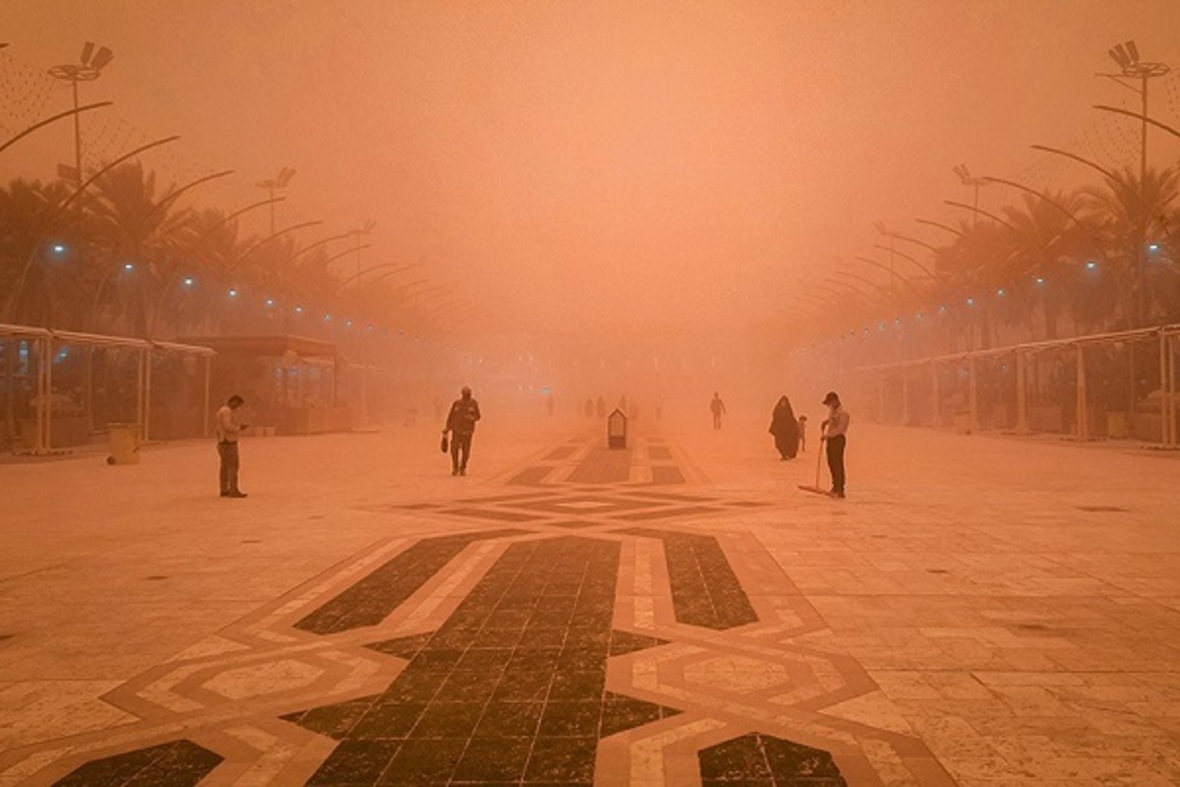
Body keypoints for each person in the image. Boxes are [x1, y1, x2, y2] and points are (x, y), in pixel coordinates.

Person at [443, 385, 481, 476]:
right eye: (464, 393)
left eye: (467, 393)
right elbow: (451, 416)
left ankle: (463, 467)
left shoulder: (473, 403)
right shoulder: (457, 403)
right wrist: (447, 428)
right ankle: (455, 467)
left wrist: (471, 418)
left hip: (468, 431)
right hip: (456, 430)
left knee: (465, 451)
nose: (466, 395)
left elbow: (478, 416)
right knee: (454, 449)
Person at [215, 394, 248, 498]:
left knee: (224, 467)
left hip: (222, 442)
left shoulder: (222, 411)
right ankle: (233, 489)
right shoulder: (226, 411)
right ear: (233, 401)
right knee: (233, 467)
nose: (238, 407)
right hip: (229, 442)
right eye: (238, 404)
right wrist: (238, 428)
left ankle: (224, 489)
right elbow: (227, 426)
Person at [820, 391, 851, 498]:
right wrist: (826, 422)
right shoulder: (833, 411)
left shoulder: (843, 413)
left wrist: (827, 435)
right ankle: (835, 486)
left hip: (838, 440)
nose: (829, 405)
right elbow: (832, 420)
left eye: (830, 403)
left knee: (837, 464)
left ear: (835, 400)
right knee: (831, 463)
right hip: (831, 440)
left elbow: (840, 429)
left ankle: (840, 488)